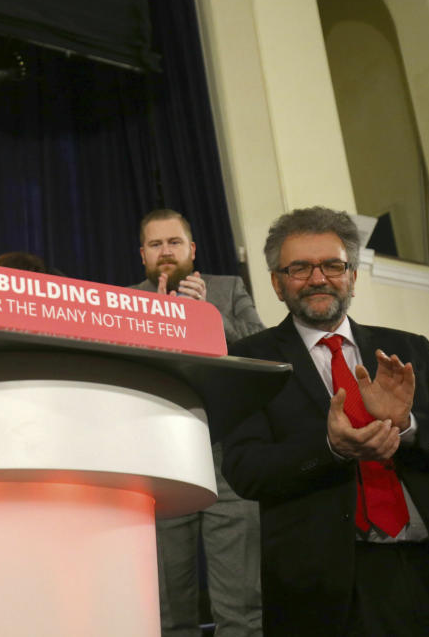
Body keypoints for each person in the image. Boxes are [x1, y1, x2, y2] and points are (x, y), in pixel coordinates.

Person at [223, 206, 429, 636]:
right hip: (323, 591)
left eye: (332, 265)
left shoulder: (411, 350)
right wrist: (330, 448)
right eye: (300, 268)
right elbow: (245, 470)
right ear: (276, 282)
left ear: (352, 276)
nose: (318, 278)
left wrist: (409, 428)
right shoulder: (250, 361)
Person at [133, 208, 265, 636]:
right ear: (143, 255)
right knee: (169, 610)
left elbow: (262, 352)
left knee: (240, 606)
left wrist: (209, 314)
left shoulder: (227, 290)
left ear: (192, 249)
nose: (165, 252)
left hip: (228, 461)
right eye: (156, 244)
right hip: (161, 464)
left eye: (174, 242)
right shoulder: (125, 299)